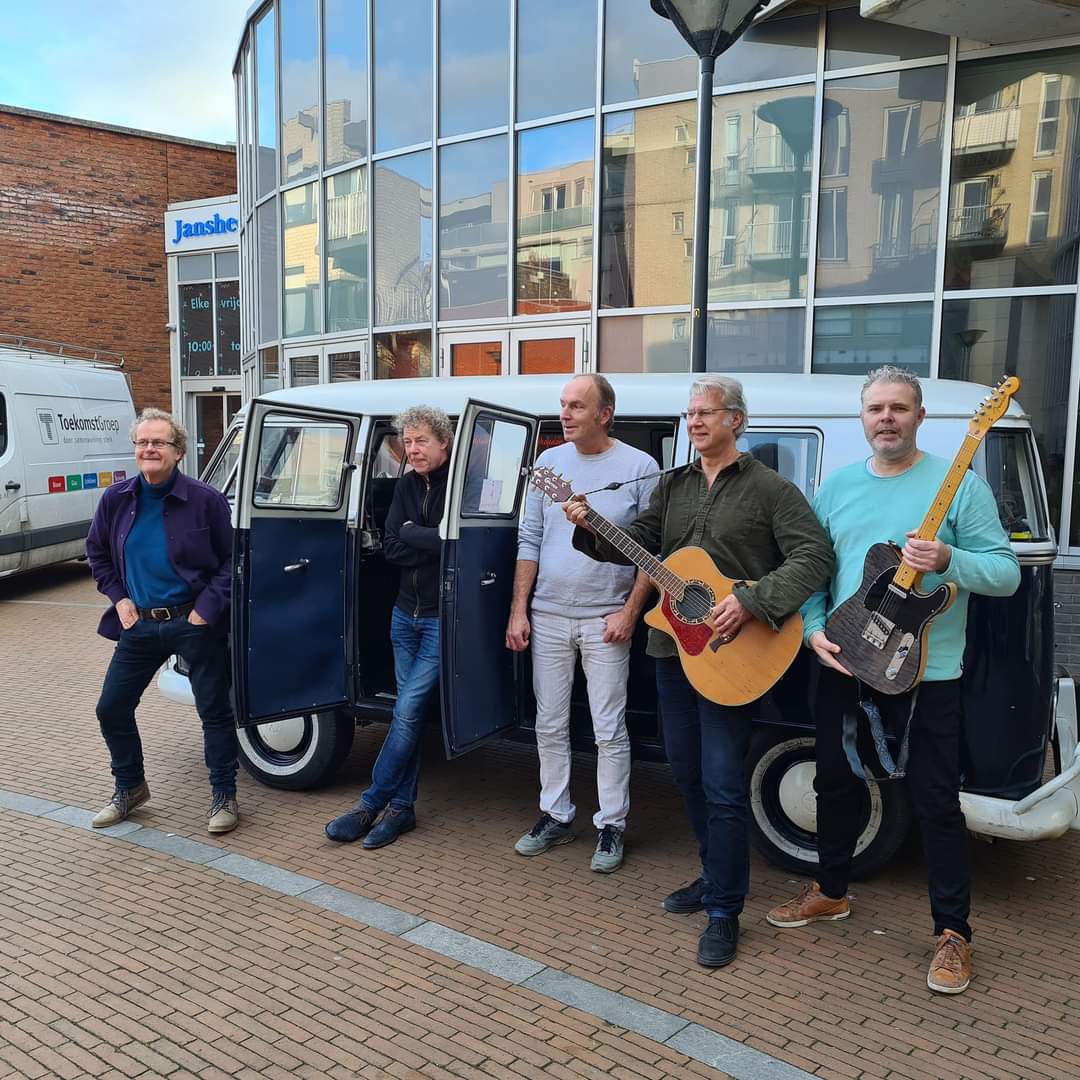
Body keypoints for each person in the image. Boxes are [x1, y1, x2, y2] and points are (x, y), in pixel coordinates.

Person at [767, 365, 1020, 994]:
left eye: (899, 408)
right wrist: (813, 629)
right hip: (845, 659)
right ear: (863, 418)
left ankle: (952, 933)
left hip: (927, 672)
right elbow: (813, 570)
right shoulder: (838, 487)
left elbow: (1007, 573)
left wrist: (950, 559)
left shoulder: (961, 485)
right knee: (834, 783)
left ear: (919, 417)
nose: (887, 418)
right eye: (876, 408)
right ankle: (830, 891)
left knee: (935, 800)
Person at [567, 374, 833, 967]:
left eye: (705, 414)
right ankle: (714, 879)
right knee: (685, 775)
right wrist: (589, 528)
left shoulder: (771, 490)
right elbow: (637, 543)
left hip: (732, 656)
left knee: (721, 784)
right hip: (672, 655)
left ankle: (724, 911)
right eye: (689, 415)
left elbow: (815, 556)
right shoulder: (672, 485)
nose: (694, 424)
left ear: (736, 419)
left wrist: (753, 601)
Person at [507, 374, 657, 874]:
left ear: (605, 414)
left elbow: (651, 551)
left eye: (577, 406)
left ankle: (611, 823)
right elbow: (529, 539)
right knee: (549, 722)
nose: (566, 414)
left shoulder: (639, 466)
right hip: (548, 614)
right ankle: (555, 814)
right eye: (563, 405)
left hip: (605, 618)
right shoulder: (548, 465)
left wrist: (630, 613)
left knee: (608, 728)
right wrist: (518, 609)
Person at [86, 408, 239, 834]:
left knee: (214, 712)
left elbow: (230, 562)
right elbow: (96, 553)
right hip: (140, 625)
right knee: (111, 708)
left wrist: (205, 610)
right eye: (142, 442)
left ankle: (224, 796)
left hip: (193, 623)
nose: (149, 449)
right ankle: (130, 787)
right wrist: (118, 599)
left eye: (158, 442)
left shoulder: (204, 499)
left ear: (177, 451)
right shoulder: (116, 500)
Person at [325, 405, 452, 850]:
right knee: (407, 713)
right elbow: (392, 546)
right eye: (408, 442)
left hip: (440, 618)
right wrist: (428, 537)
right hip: (403, 614)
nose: (413, 450)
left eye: (422, 441)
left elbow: (453, 544)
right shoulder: (403, 484)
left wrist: (418, 534)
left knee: (407, 710)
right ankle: (401, 809)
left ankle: (370, 802)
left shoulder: (461, 486)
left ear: (444, 442)